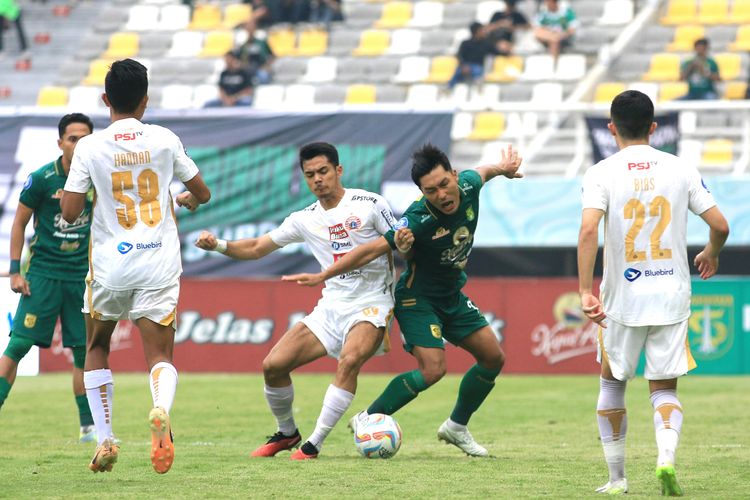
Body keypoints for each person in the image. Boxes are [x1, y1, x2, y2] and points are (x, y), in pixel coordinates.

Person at [284, 143, 523, 457]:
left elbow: (483, 171)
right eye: (430, 190)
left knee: (494, 358)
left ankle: (456, 426)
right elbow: (371, 249)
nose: (441, 194)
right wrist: (324, 274)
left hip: (451, 294)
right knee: (433, 369)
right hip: (417, 299)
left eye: (443, 184)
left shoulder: (467, 183)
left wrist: (502, 169)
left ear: (453, 175)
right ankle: (369, 417)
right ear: (422, 192)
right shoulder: (416, 218)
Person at [194, 142, 413, 460]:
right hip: (331, 305)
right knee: (273, 366)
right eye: (310, 175)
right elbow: (257, 247)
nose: (317, 179)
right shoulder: (304, 218)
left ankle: (314, 443)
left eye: (323, 171)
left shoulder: (370, 203)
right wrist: (219, 245)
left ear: (338, 170)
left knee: (349, 361)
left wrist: (404, 246)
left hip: (372, 301)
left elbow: (399, 245)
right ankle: (287, 433)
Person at [60, 59, 211, 474]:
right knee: (160, 354)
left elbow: (71, 212)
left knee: (97, 347)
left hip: (111, 264)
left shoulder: (89, 146)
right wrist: (188, 199)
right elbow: (202, 191)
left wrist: (83, 190)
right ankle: (160, 409)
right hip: (158, 261)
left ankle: (106, 437)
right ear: (146, 100)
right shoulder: (163, 139)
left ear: (105, 100)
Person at [577, 90, 729, 496]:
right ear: (654, 128)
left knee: (611, 383)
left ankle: (616, 478)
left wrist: (583, 290)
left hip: (620, 300)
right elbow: (721, 225)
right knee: (663, 388)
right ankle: (665, 457)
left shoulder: (600, 172)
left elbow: (590, 229)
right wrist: (711, 252)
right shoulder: (680, 168)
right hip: (670, 294)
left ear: (612, 130)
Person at [1, 113, 95, 443]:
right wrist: (15, 270)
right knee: (19, 345)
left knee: (84, 352)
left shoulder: (98, 180)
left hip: (82, 278)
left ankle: (88, 426)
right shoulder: (42, 178)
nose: (79, 144)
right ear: (61, 143)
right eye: (72, 138)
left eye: (85, 138)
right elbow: (18, 224)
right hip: (42, 274)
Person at [448, 22, 495, 89]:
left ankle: (478, 87)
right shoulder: (465, 43)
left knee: (477, 71)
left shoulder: (486, 44)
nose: (484, 31)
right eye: (482, 30)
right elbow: (459, 55)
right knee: (457, 73)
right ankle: (448, 89)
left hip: (478, 66)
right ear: (476, 31)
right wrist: (463, 66)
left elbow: (496, 52)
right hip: (465, 65)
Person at [236, 17, 275, 84]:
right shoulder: (243, 45)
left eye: (252, 26)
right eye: (248, 26)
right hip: (247, 69)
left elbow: (272, 56)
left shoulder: (262, 43)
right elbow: (239, 59)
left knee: (263, 76)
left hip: (261, 68)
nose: (250, 28)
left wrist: (267, 66)